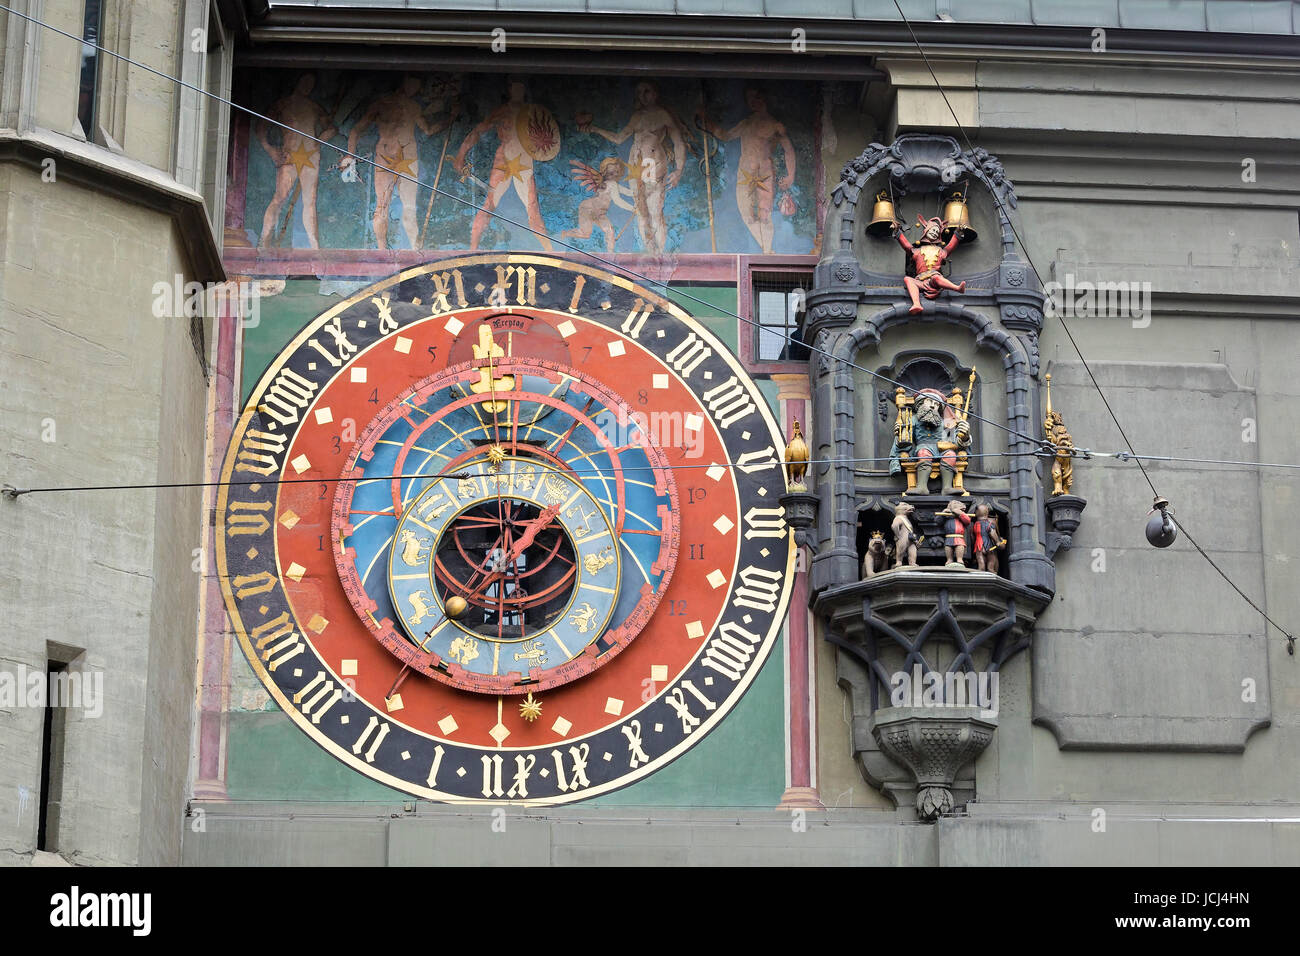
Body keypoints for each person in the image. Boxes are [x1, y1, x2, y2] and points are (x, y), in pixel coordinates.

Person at [342, 75, 453, 249]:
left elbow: (428, 130)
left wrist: (450, 120)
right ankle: (381, 251)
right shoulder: (381, 104)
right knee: (382, 205)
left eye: (418, 84)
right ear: (403, 82)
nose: (415, 87)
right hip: (385, 158)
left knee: (409, 207)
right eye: (413, 82)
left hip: (408, 159)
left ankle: (416, 251)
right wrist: (350, 154)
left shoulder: (414, 106)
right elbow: (357, 129)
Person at [582, 81, 688, 255]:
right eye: (639, 93)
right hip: (636, 167)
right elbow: (619, 138)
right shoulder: (637, 117)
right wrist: (594, 129)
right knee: (641, 212)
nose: (643, 96)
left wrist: (679, 170)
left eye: (647, 91)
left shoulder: (663, 115)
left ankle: (660, 253)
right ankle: (649, 252)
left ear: (655, 93)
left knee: (655, 211)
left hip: (653, 166)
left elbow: (678, 142)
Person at [455, 78, 554, 251]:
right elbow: (478, 131)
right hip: (504, 160)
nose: (518, 91)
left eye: (521, 87)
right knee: (489, 204)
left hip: (524, 161)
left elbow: (546, 138)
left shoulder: (532, 112)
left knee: (533, 210)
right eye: (514, 87)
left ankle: (552, 253)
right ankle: (472, 249)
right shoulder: (502, 111)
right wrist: (460, 155)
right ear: (509, 90)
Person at [698, 87, 796, 254]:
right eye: (749, 99)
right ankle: (765, 249)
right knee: (748, 214)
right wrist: (708, 123)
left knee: (765, 213)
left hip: (765, 173)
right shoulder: (747, 123)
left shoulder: (775, 125)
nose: (752, 102)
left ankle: (767, 250)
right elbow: (726, 136)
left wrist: (791, 176)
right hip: (746, 174)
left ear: (763, 99)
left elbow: (788, 150)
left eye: (755, 97)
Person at [257, 74, 337, 249]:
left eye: (311, 83)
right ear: (297, 81)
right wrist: (270, 150)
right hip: (290, 157)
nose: (308, 86)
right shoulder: (283, 104)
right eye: (305, 81)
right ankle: (264, 242)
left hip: (310, 157)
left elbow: (331, 129)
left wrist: (319, 140)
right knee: (280, 198)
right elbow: (261, 127)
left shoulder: (314, 107)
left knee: (310, 202)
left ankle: (314, 247)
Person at [895, 216, 966, 314]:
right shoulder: (916, 251)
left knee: (936, 277)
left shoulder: (941, 251)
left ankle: (957, 288)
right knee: (907, 279)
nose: (935, 233)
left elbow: (950, 246)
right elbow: (906, 245)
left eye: (937, 232)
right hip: (920, 280)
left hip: (933, 279)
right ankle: (916, 304)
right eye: (933, 230)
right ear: (926, 231)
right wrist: (898, 232)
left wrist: (958, 233)